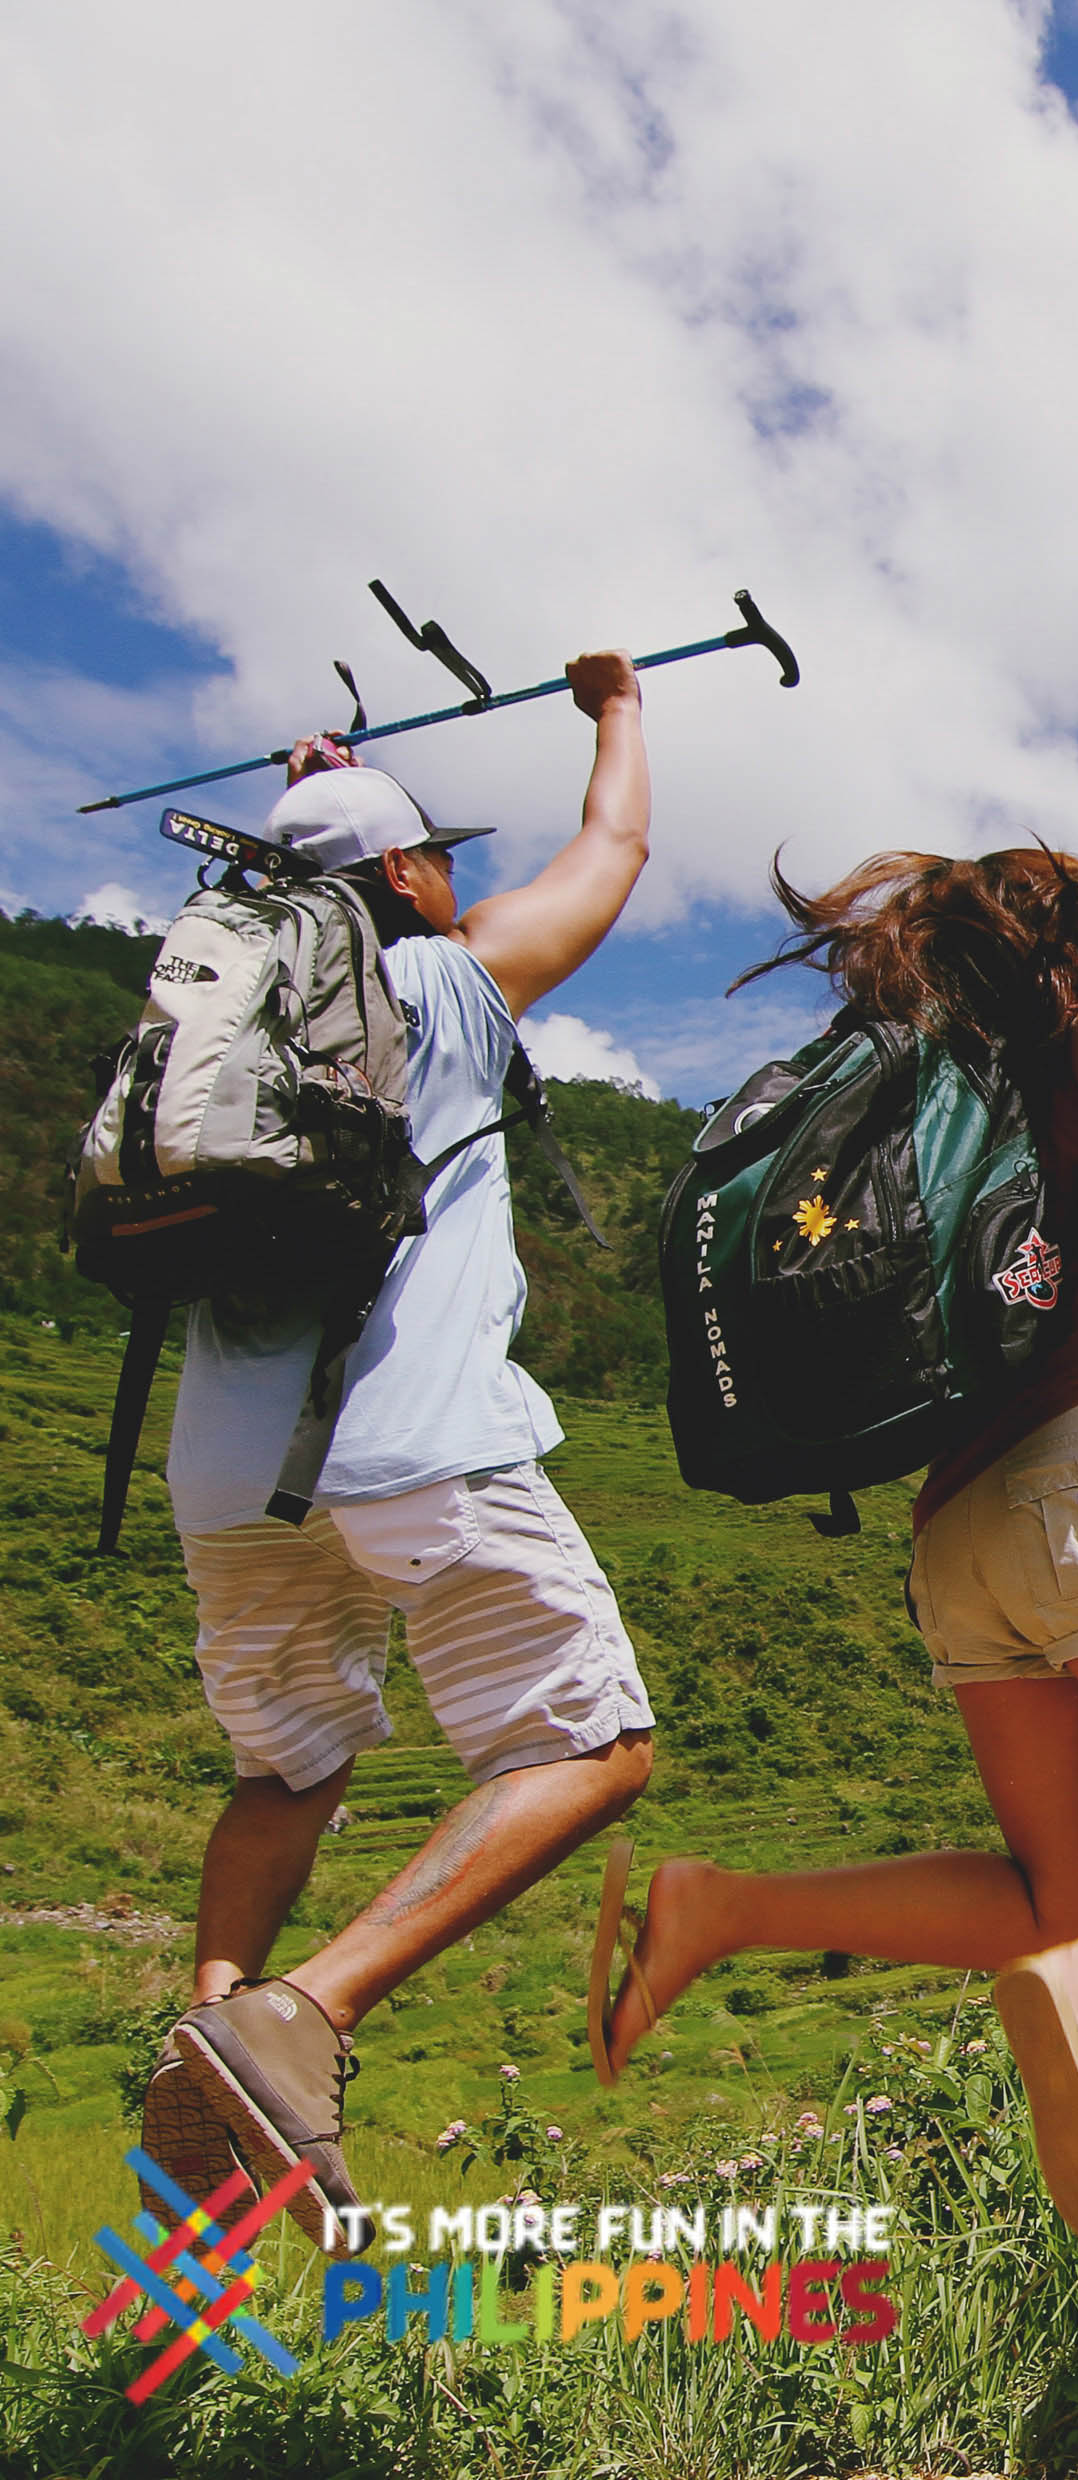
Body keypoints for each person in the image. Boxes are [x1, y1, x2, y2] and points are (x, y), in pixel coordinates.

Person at [593, 850, 1078, 2245]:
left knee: (1068, 1903)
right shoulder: (1062, 1077)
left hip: (963, 1533)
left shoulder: (944, 1121)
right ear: (1055, 959)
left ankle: (722, 1907)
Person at [148, 658, 662, 2253]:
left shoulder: (224, 1007)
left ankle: (207, 2054)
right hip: (418, 1448)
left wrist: (320, 791)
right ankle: (302, 2016)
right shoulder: (445, 979)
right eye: (435, 852)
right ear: (407, 877)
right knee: (591, 1748)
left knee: (286, 1770)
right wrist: (619, 710)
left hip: (228, 1478)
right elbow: (613, 851)